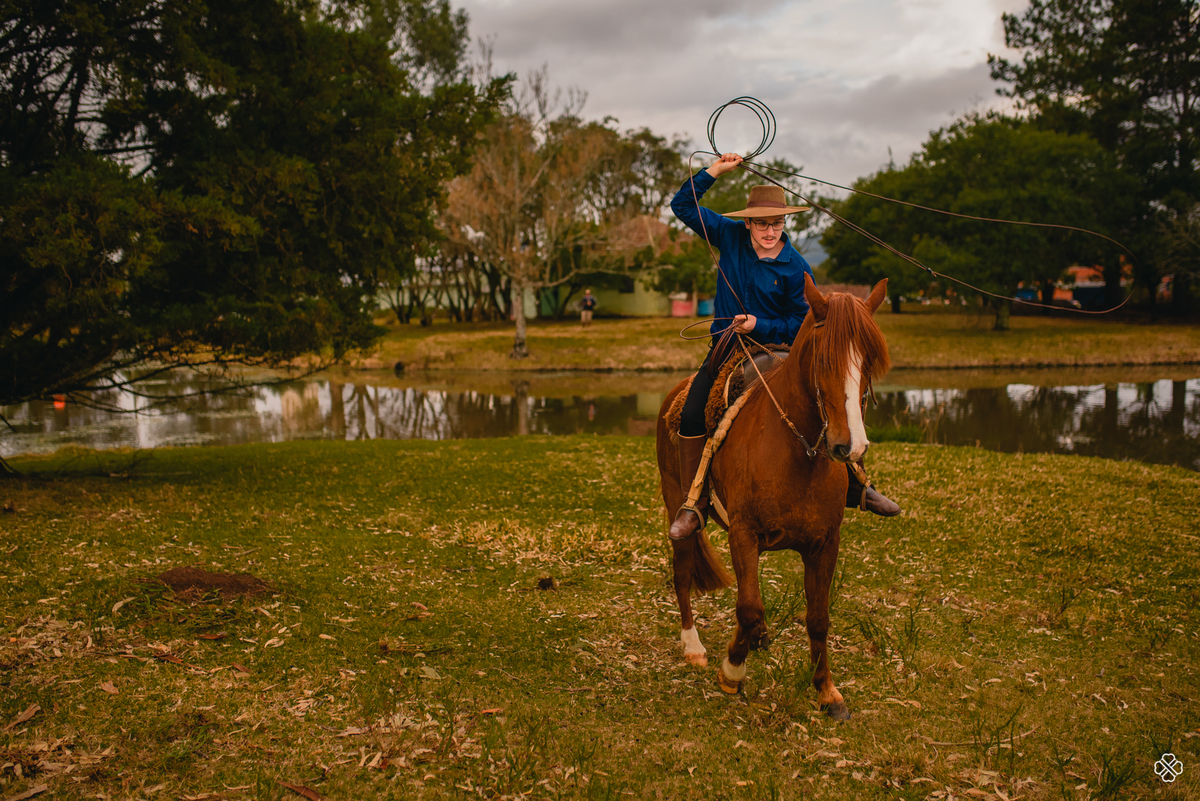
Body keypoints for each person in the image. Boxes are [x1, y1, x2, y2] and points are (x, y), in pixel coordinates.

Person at [666, 153, 900, 542]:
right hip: (728, 349)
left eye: (776, 223)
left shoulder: (797, 268)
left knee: (831, 395)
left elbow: (801, 324)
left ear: (784, 223)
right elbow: (682, 205)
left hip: (779, 351)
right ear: (749, 222)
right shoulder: (728, 235)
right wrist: (716, 171)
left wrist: (761, 324)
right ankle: (695, 503)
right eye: (761, 223)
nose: (769, 231)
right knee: (692, 412)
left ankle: (858, 485)